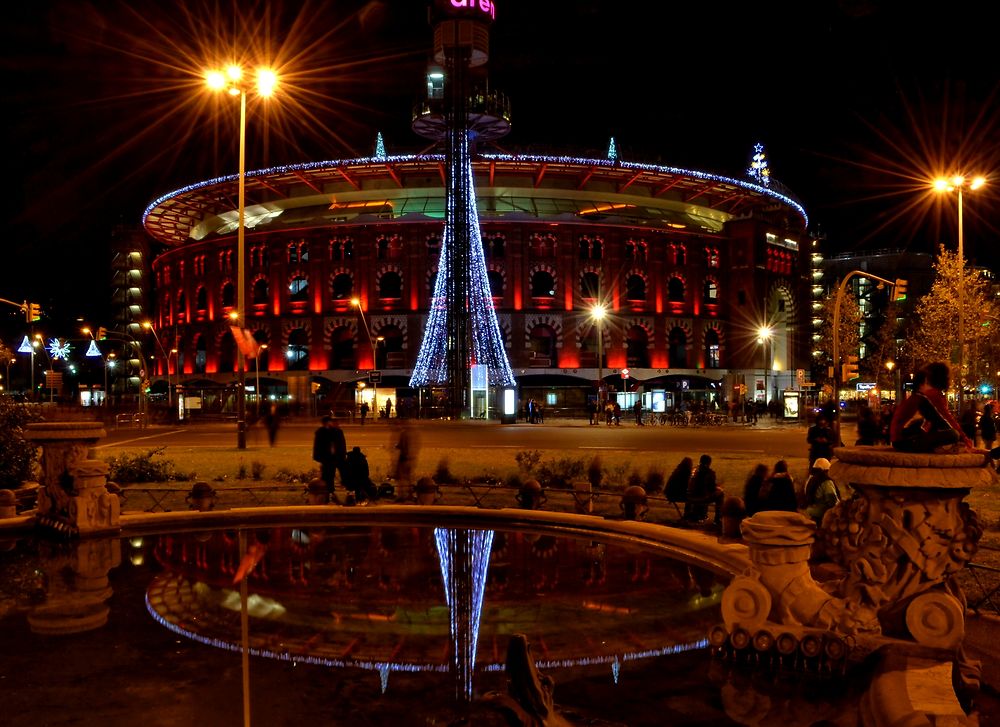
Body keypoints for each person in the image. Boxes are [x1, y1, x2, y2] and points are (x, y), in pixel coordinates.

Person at [890, 362, 973, 453]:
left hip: (901, 440)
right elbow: (944, 420)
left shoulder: (917, 397)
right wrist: (962, 438)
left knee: (945, 432)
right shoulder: (928, 396)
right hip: (906, 441)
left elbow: (935, 420)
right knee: (953, 434)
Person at [312, 415, 347, 499]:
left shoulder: (336, 431)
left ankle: (340, 488)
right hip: (328, 458)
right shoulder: (323, 432)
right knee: (328, 476)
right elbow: (319, 446)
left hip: (336, 457)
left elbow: (341, 445)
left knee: (341, 472)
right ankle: (328, 492)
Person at [684, 454, 725, 526]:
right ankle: (717, 519)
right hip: (701, 498)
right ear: (709, 463)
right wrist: (718, 488)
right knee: (721, 494)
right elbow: (711, 489)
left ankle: (688, 515)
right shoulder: (709, 472)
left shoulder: (693, 470)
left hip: (689, 497)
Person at [804, 457, 840, 524]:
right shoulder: (826, 481)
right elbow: (832, 500)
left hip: (812, 512)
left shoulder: (810, 480)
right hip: (824, 514)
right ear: (826, 470)